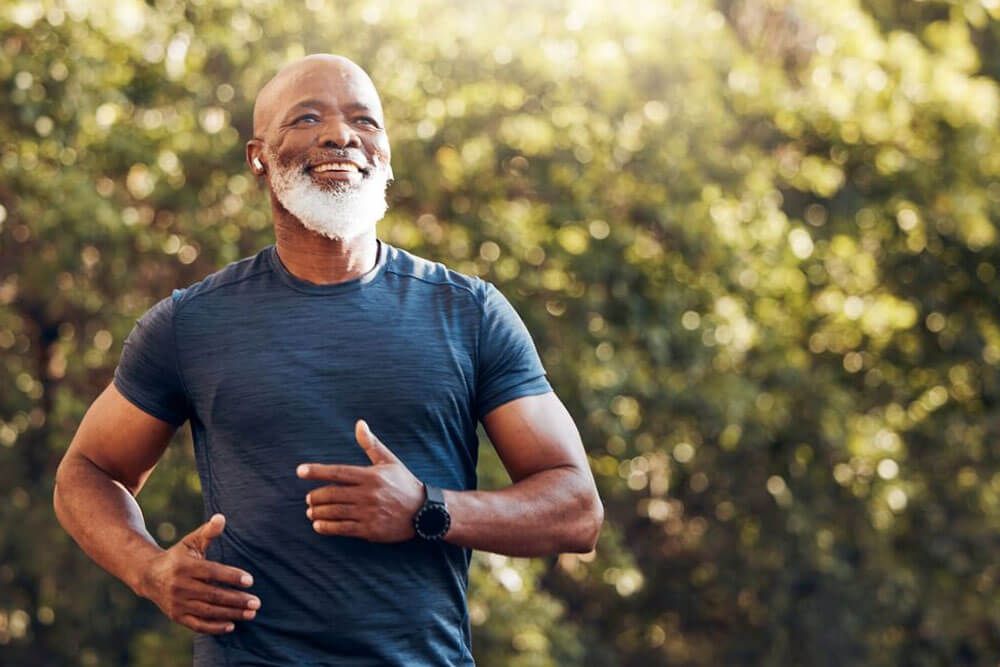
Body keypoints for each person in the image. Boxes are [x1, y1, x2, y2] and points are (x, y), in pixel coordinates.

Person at [53, 53, 604, 666]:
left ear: (385, 152)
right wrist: (148, 570)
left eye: (364, 121)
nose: (341, 134)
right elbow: (88, 471)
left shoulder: (468, 313)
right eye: (307, 117)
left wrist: (427, 508)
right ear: (258, 156)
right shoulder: (192, 322)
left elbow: (577, 510)